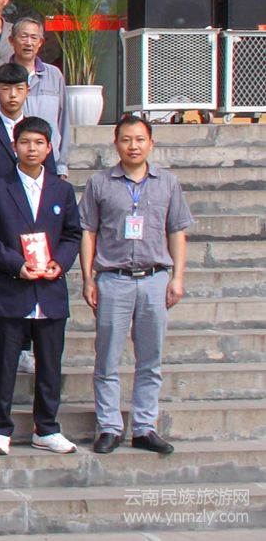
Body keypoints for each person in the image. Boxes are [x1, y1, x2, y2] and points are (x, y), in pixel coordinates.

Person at [80, 114, 193, 456]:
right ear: (115, 143)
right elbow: (88, 232)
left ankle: (144, 426)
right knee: (107, 358)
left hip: (154, 278)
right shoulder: (99, 183)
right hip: (113, 279)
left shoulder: (167, 183)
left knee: (150, 358)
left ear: (151, 144)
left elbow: (177, 231)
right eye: (126, 139)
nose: (133, 146)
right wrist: (88, 277)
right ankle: (110, 426)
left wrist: (177, 277)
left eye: (140, 139)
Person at [0, 117, 82, 457]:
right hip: (10, 288)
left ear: (49, 148)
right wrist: (16, 264)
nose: (31, 149)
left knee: (49, 365)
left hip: (49, 288)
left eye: (38, 143)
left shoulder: (61, 190)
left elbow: (72, 234)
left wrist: (59, 262)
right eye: (24, 142)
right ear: (13, 146)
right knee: (4, 364)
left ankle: (46, 427)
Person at [0, 61, 54, 376]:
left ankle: (26, 348)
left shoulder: (38, 131)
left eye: (19, 89)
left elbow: (49, 175)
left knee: (33, 283)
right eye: (6, 89)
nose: (12, 95)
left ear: (28, 91)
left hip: (32, 224)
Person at [0, 15, 71, 177]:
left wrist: (62, 166)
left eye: (34, 38)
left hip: (48, 163)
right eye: (23, 37)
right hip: (6, 165)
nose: (29, 43)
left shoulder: (54, 75)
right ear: (11, 40)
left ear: (40, 42)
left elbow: (63, 122)